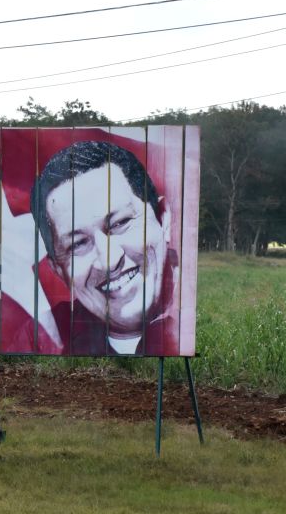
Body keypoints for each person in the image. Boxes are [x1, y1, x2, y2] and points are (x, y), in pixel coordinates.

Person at [30, 140, 178, 355]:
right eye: (78, 244)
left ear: (163, 218)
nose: (109, 261)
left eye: (120, 223)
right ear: (59, 271)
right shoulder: (42, 338)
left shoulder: (201, 319)